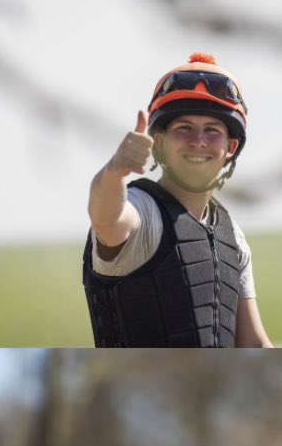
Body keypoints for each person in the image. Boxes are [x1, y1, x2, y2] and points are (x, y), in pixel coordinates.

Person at [83, 52, 272, 347]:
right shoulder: (142, 211)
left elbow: (254, 342)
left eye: (212, 130)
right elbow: (106, 218)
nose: (198, 141)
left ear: (231, 147)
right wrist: (114, 171)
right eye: (184, 128)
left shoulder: (233, 235)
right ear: (158, 143)